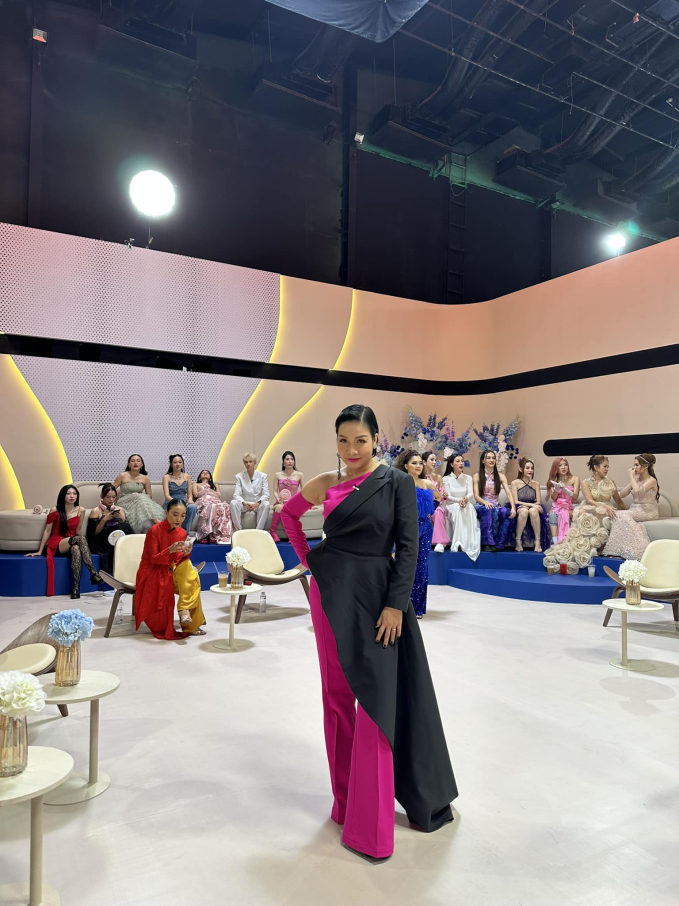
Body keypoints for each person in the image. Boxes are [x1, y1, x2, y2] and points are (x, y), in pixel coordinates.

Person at [281, 404, 457, 863]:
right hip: (330, 596)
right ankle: (343, 804)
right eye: (343, 440)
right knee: (337, 699)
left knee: (376, 703)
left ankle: (372, 826)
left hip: (379, 601)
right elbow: (289, 517)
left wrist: (396, 605)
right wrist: (308, 562)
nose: (351, 449)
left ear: (376, 439)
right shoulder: (326, 481)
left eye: (360, 440)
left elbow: (409, 547)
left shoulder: (397, 482)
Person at [134, 499, 206, 639]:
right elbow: (153, 559)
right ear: (166, 513)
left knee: (190, 572)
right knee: (192, 578)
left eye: (183, 515)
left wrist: (185, 553)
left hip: (170, 568)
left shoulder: (182, 532)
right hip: (152, 570)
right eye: (175, 514)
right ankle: (187, 618)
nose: (179, 519)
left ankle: (184, 610)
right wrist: (169, 550)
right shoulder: (154, 531)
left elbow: (177, 559)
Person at [543, 455, 625, 573]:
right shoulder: (585, 482)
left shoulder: (610, 482)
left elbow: (618, 500)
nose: (607, 469)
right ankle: (571, 547)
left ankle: (596, 547)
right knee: (584, 515)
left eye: (608, 466)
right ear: (596, 467)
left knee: (600, 516)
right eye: (605, 466)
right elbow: (589, 500)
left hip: (605, 508)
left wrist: (625, 511)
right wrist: (557, 489)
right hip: (591, 506)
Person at [25, 484, 103, 598]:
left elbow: (78, 530)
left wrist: (83, 547)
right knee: (81, 539)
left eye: (74, 493)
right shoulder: (55, 510)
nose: (72, 496)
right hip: (56, 542)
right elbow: (47, 531)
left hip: (72, 541)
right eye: (68, 493)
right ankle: (93, 572)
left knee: (76, 549)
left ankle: (76, 589)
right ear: (63, 495)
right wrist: (40, 551)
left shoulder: (81, 510)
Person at [399, 451, 440, 619]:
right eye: (414, 463)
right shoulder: (400, 483)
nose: (418, 466)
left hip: (424, 527)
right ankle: (401, 605)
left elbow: (438, 498)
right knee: (405, 565)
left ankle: (417, 607)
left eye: (420, 463)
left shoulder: (427, 483)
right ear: (405, 466)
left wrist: (429, 510)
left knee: (421, 566)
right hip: (405, 528)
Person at [603, 454, 660, 559]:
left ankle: (639, 547)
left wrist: (631, 476)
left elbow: (638, 491)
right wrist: (632, 480)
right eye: (634, 465)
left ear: (646, 466)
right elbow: (622, 494)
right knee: (617, 514)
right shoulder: (635, 479)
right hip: (635, 509)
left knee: (622, 515)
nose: (634, 468)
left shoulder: (652, 480)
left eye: (637, 465)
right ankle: (621, 549)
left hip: (647, 510)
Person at [435, 453, 480, 560]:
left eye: (462, 461)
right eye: (458, 461)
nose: (461, 463)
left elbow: (471, 493)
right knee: (457, 507)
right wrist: (459, 501)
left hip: (465, 503)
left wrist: (465, 499)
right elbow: (448, 496)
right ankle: (458, 541)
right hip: (452, 505)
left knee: (469, 507)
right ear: (451, 464)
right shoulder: (446, 479)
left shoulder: (468, 478)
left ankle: (467, 542)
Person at [473, 450, 515, 551]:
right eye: (488, 458)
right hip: (481, 505)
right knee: (489, 509)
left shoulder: (501, 476)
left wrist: (513, 508)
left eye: (493, 458)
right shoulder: (477, 476)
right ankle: (487, 543)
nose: (491, 460)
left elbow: (509, 493)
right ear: (483, 461)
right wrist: (485, 503)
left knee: (506, 512)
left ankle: (500, 544)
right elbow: (476, 496)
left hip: (496, 505)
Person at [507, 458, 551, 553]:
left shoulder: (536, 484)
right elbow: (515, 501)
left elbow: (538, 501)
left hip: (533, 506)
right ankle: (518, 540)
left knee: (533, 510)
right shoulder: (515, 483)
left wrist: (532, 506)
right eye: (527, 468)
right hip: (519, 506)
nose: (530, 470)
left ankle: (537, 541)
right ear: (520, 469)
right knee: (524, 511)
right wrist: (529, 505)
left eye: (532, 468)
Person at [87, 483, 134, 573]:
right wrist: (104, 519)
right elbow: (93, 533)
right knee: (124, 527)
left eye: (113, 497)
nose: (111, 500)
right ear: (102, 496)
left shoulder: (119, 509)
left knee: (125, 526)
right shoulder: (96, 511)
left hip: (117, 536)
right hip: (103, 540)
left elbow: (124, 526)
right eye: (108, 497)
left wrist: (121, 517)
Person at [113, 454, 164, 533]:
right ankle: (155, 520)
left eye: (138, 461)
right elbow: (111, 489)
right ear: (129, 464)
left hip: (139, 503)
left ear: (142, 464)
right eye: (133, 461)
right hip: (125, 501)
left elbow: (149, 495)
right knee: (140, 497)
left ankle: (150, 527)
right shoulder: (122, 476)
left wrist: (139, 496)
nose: (135, 463)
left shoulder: (145, 478)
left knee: (140, 497)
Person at [270, 451, 304, 543]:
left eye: (292, 459)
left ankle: (292, 535)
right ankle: (272, 533)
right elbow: (275, 491)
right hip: (280, 502)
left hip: (293, 503)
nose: (290, 461)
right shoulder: (277, 475)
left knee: (291, 509)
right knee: (280, 507)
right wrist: (278, 499)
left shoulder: (299, 475)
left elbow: (303, 491)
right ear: (283, 462)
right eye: (287, 459)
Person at [231, 453, 270, 532]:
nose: (248, 464)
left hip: (257, 503)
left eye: (250, 461)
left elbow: (266, 494)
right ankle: (238, 531)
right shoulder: (239, 476)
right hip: (245, 503)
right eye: (246, 462)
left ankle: (258, 531)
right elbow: (236, 494)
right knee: (233, 503)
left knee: (266, 504)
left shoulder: (263, 476)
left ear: (255, 462)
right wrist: (244, 503)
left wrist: (257, 503)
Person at [545, 458, 580, 543]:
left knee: (566, 513)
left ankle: (567, 540)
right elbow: (553, 498)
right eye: (560, 465)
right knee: (552, 515)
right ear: (555, 468)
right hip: (558, 506)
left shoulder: (575, 479)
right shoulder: (553, 481)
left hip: (571, 505)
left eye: (565, 465)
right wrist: (556, 489)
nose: (563, 467)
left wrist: (566, 490)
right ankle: (556, 543)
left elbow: (575, 497)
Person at [192, 470, 231, 544]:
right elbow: (195, 494)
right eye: (203, 472)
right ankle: (205, 533)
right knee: (210, 505)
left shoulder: (215, 485)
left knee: (223, 506)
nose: (205, 473)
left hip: (214, 501)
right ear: (200, 476)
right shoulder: (196, 484)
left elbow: (219, 495)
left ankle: (216, 533)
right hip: (203, 500)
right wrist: (205, 491)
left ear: (210, 477)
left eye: (207, 473)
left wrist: (210, 491)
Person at [162, 455, 197, 532]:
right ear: (171, 464)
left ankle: (186, 532)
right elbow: (166, 495)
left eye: (180, 462)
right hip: (170, 502)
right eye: (175, 462)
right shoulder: (166, 477)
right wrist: (177, 503)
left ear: (182, 464)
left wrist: (190, 499)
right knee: (178, 508)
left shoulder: (187, 476)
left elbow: (189, 494)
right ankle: (176, 532)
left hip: (184, 502)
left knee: (192, 507)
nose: (178, 464)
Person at [425, 451, 451, 553]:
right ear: (424, 462)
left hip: (436, 505)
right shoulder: (418, 477)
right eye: (431, 460)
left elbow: (440, 495)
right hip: (423, 505)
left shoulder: (438, 477)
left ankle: (440, 543)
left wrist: (444, 495)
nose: (434, 462)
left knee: (439, 511)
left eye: (435, 460)